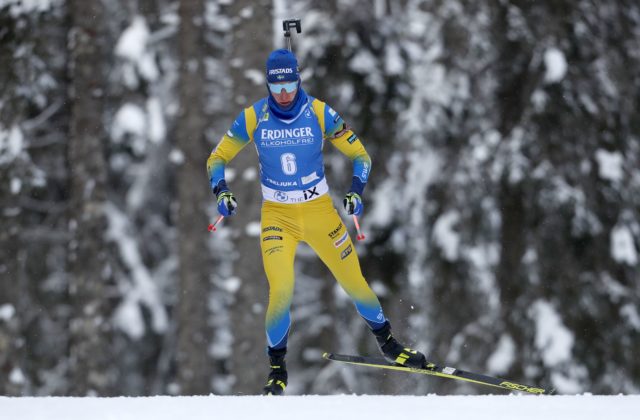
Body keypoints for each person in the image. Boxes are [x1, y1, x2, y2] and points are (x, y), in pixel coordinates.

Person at [206, 49, 426, 395]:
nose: (283, 93)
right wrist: (221, 191)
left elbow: (360, 156)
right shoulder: (254, 117)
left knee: (354, 281)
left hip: (319, 212)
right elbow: (217, 158)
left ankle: (390, 346)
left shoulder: (320, 113)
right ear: (267, 84)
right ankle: (277, 371)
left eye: (290, 84)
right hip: (277, 216)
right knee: (281, 290)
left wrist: (356, 191)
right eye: (276, 86)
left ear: (299, 80)